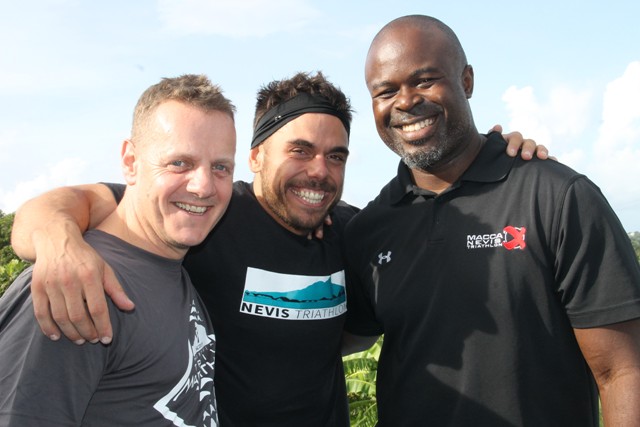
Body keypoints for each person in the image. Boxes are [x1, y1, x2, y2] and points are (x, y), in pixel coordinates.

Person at [10, 72, 546, 426]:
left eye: (336, 156)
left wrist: (493, 159)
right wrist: (59, 243)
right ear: (257, 157)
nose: (320, 170)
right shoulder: (209, 213)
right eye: (300, 150)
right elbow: (58, 207)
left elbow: (443, 224)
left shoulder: (351, 231)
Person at [342, 15, 640, 426]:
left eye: (425, 80)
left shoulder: (557, 197)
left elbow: (623, 371)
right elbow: (328, 337)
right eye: (386, 91)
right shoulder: (369, 229)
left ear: (466, 81)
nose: (406, 101)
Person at [0, 74, 237, 426]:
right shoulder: (75, 285)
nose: (203, 187)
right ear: (130, 162)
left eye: (220, 167)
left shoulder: (168, 268)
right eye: (179, 163)